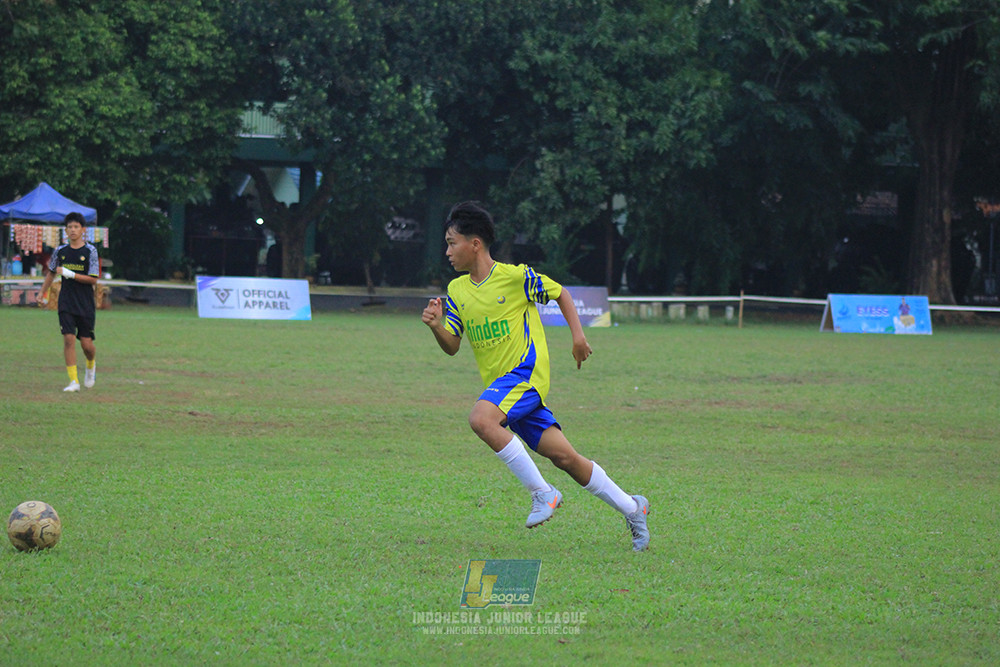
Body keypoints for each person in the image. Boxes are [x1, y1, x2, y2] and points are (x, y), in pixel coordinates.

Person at [421, 201, 650, 551]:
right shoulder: (457, 291)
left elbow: (560, 293)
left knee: (481, 420)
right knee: (566, 459)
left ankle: (543, 493)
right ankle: (633, 508)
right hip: (505, 391)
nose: (447, 251)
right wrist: (438, 327)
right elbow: (452, 346)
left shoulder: (515, 278)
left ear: (475, 244)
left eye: (452, 243)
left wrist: (578, 337)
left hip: (525, 378)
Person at [37, 212, 100, 392]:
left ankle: (90, 365)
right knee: (68, 338)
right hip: (66, 302)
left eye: (76, 227)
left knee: (87, 345)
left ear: (83, 230)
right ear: (66, 230)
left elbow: (93, 279)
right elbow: (51, 272)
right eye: (70, 227)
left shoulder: (90, 251)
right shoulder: (60, 251)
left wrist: (71, 274)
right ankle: (74, 381)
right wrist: (42, 293)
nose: (72, 230)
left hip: (85, 303)